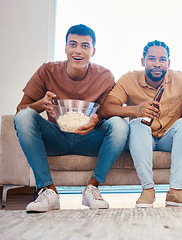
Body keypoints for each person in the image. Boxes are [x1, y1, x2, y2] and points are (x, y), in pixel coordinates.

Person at [13, 24, 129, 212]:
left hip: (89, 139)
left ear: (93, 51)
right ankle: (48, 191)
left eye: (85, 46)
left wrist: (96, 120)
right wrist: (39, 104)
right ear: (65, 48)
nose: (78, 50)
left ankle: (92, 188)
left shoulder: (105, 76)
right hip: (55, 137)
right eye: (73, 44)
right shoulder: (47, 71)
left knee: (119, 124)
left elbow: (107, 111)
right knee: (25, 117)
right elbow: (20, 110)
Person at [101, 40, 182, 208]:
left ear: (168, 63)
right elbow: (106, 109)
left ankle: (175, 192)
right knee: (138, 123)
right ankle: (148, 190)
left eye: (162, 60)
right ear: (143, 61)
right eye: (152, 59)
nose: (157, 64)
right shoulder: (129, 78)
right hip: (141, 138)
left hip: (168, 137)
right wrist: (136, 110)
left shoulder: (179, 77)